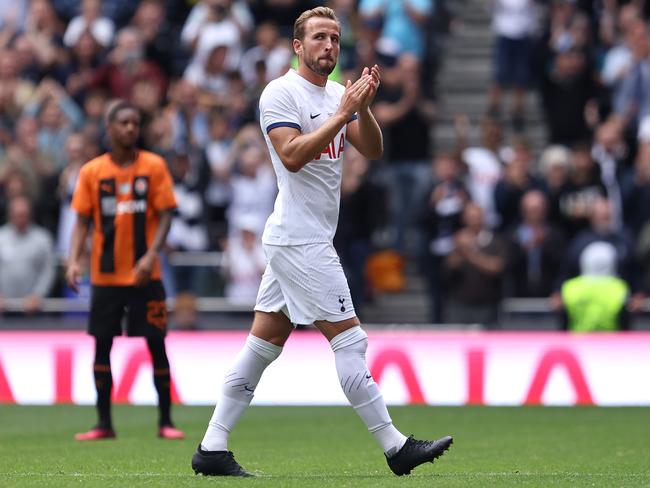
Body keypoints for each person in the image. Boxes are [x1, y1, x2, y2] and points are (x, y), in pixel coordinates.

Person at [191, 7, 452, 478]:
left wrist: (363, 109)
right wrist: (342, 114)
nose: (328, 46)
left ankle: (212, 446)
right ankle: (395, 447)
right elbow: (291, 155)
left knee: (262, 345)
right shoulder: (280, 93)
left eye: (334, 37)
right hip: (301, 242)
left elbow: (371, 149)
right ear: (298, 46)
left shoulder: (335, 94)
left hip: (300, 237)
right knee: (351, 340)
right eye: (318, 38)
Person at [66, 101, 185, 441]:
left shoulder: (154, 166)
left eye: (135, 123)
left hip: (146, 276)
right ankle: (104, 424)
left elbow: (165, 214)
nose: (131, 128)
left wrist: (150, 256)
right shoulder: (92, 172)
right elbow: (82, 221)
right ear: (110, 128)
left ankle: (166, 421)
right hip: (105, 277)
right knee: (101, 347)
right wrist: (74, 260)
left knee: (156, 344)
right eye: (124, 123)